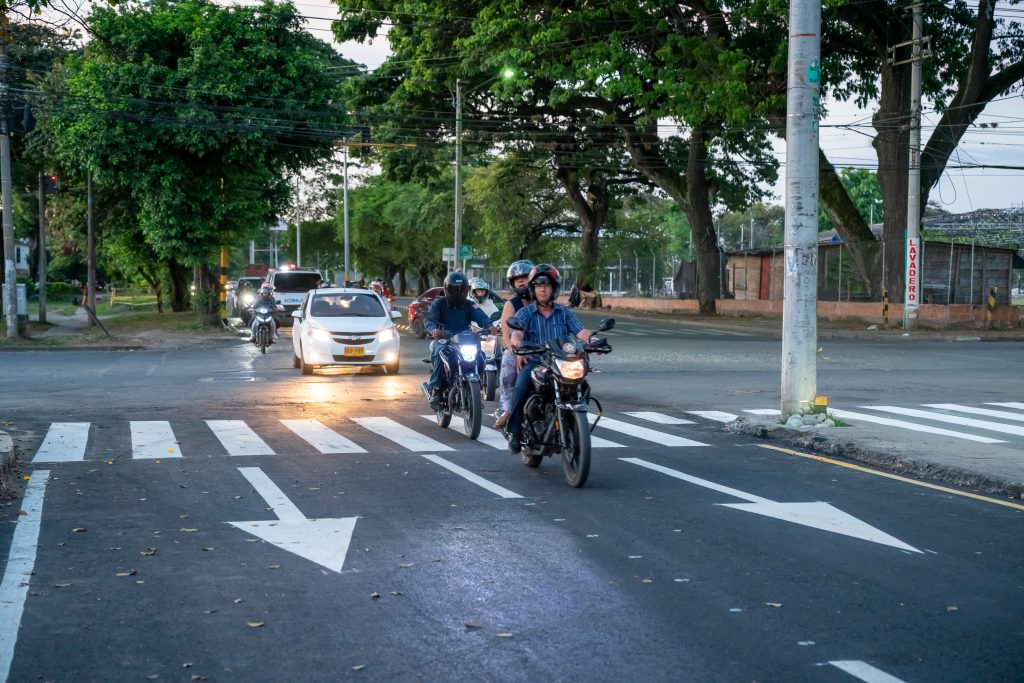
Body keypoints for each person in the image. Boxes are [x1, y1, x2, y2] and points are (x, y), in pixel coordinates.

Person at [504, 264, 594, 454]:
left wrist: (593, 340)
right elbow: (516, 334)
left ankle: (574, 423)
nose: (542, 289)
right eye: (538, 286)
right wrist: (518, 344)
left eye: (547, 285)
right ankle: (515, 432)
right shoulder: (525, 313)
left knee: (583, 384)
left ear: (554, 288)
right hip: (537, 362)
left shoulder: (564, 312)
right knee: (521, 386)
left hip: (562, 363)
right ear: (533, 289)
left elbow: (580, 331)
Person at [423, 271, 499, 409]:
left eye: (461, 289)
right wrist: (433, 329)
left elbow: (480, 316)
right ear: (447, 289)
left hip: (464, 341)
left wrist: (489, 326)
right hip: (443, 340)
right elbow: (430, 319)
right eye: (454, 289)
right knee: (440, 353)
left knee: (481, 356)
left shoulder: (469, 305)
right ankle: (435, 388)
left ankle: (476, 389)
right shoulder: (439, 304)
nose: (458, 292)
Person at [493, 259, 533, 429]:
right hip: (517, 348)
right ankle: (506, 407)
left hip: (543, 349)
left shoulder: (543, 303)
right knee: (509, 362)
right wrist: (516, 352)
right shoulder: (512, 304)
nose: (522, 281)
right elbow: (507, 335)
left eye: (525, 277)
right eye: (518, 279)